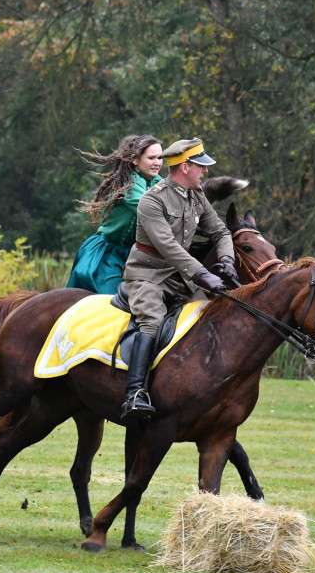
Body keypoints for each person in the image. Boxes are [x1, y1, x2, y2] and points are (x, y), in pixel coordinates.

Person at [119, 137, 238, 420]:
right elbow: (168, 247)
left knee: (211, 316)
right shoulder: (152, 200)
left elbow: (220, 231)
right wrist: (203, 274)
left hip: (180, 277)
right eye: (201, 166)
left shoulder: (196, 196)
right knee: (151, 321)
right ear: (185, 167)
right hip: (147, 276)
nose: (205, 171)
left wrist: (227, 260)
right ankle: (134, 393)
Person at [66, 135, 164, 295]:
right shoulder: (129, 184)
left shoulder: (158, 182)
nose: (157, 162)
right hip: (107, 255)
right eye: (151, 158)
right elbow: (152, 210)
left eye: (160, 158)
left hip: (135, 256)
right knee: (111, 301)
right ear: (135, 159)